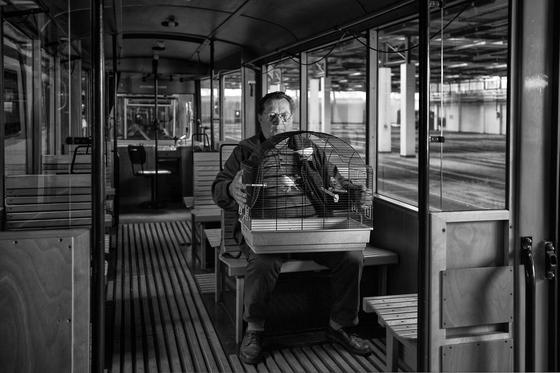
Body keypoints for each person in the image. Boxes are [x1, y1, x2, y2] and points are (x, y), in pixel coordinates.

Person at [212, 91, 373, 365]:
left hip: (310, 231)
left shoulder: (307, 148)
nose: (278, 122)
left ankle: (341, 325)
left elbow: (336, 180)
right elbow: (218, 188)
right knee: (262, 264)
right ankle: (254, 330)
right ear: (260, 119)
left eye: (284, 116)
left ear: (292, 118)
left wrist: (356, 192)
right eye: (272, 116)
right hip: (265, 234)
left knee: (351, 257)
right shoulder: (245, 151)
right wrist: (230, 187)